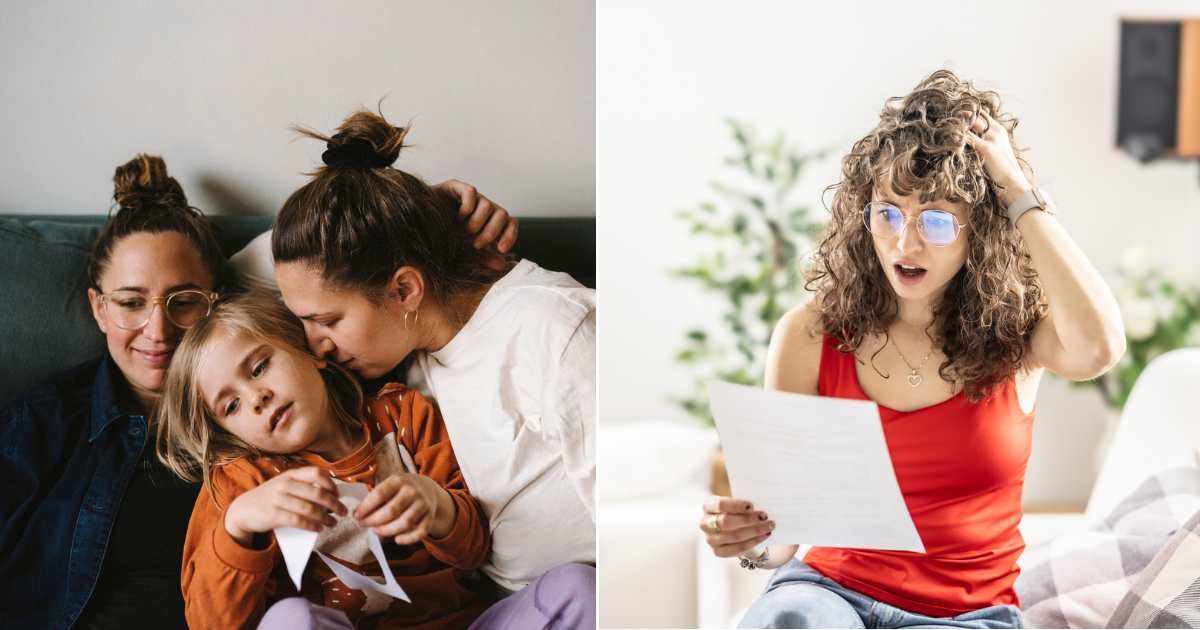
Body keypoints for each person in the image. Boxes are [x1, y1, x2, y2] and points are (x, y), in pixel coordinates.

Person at [0, 154, 514, 629]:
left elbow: (342, 258)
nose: (158, 330)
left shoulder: (361, 392)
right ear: (98, 307)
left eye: (184, 301)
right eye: (131, 302)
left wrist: (419, 214)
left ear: (219, 298)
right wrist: (240, 523)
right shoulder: (49, 421)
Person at [700, 70, 1125, 629]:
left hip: (967, 615)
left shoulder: (1017, 338)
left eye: (937, 221)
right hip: (826, 594)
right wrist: (751, 541)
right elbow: (784, 533)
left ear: (981, 230)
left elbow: (1099, 347)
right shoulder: (808, 336)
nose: (906, 242)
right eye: (889, 213)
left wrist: (1016, 190)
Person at [270, 110, 596, 629]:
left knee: (582, 590)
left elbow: (646, 512)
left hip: (560, 607)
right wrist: (427, 208)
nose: (316, 347)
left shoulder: (555, 329)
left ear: (404, 289)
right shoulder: (408, 345)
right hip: (479, 609)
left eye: (327, 321)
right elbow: (233, 282)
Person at [156, 291, 491, 629]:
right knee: (291, 619)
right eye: (231, 406)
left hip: (462, 622)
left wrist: (436, 506)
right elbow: (210, 623)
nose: (257, 398)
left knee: (530, 599)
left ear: (308, 351)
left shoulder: (404, 414)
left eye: (259, 368)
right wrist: (238, 525)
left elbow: (475, 550)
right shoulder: (243, 482)